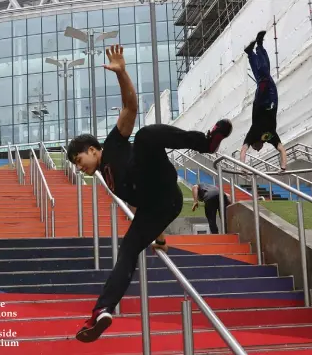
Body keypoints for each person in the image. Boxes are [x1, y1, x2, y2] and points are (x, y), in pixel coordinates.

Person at [66, 44, 233, 343]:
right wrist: (157, 236)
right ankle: (103, 309)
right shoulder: (104, 177)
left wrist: (121, 73)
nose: (80, 169)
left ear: (92, 150)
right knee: (127, 251)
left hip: (159, 179)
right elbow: (137, 204)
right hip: (160, 208)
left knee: (145, 135)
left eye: (80, 162)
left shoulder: (114, 144)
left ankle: (205, 143)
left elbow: (130, 106)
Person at [240, 31, 287, 172]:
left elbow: (243, 151)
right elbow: (282, 150)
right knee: (263, 76)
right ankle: (251, 53)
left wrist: (243, 167)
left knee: (264, 76)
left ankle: (259, 46)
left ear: (253, 144)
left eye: (254, 149)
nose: (258, 150)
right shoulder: (270, 137)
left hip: (261, 102)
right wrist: (283, 167)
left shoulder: (252, 134)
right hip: (272, 99)